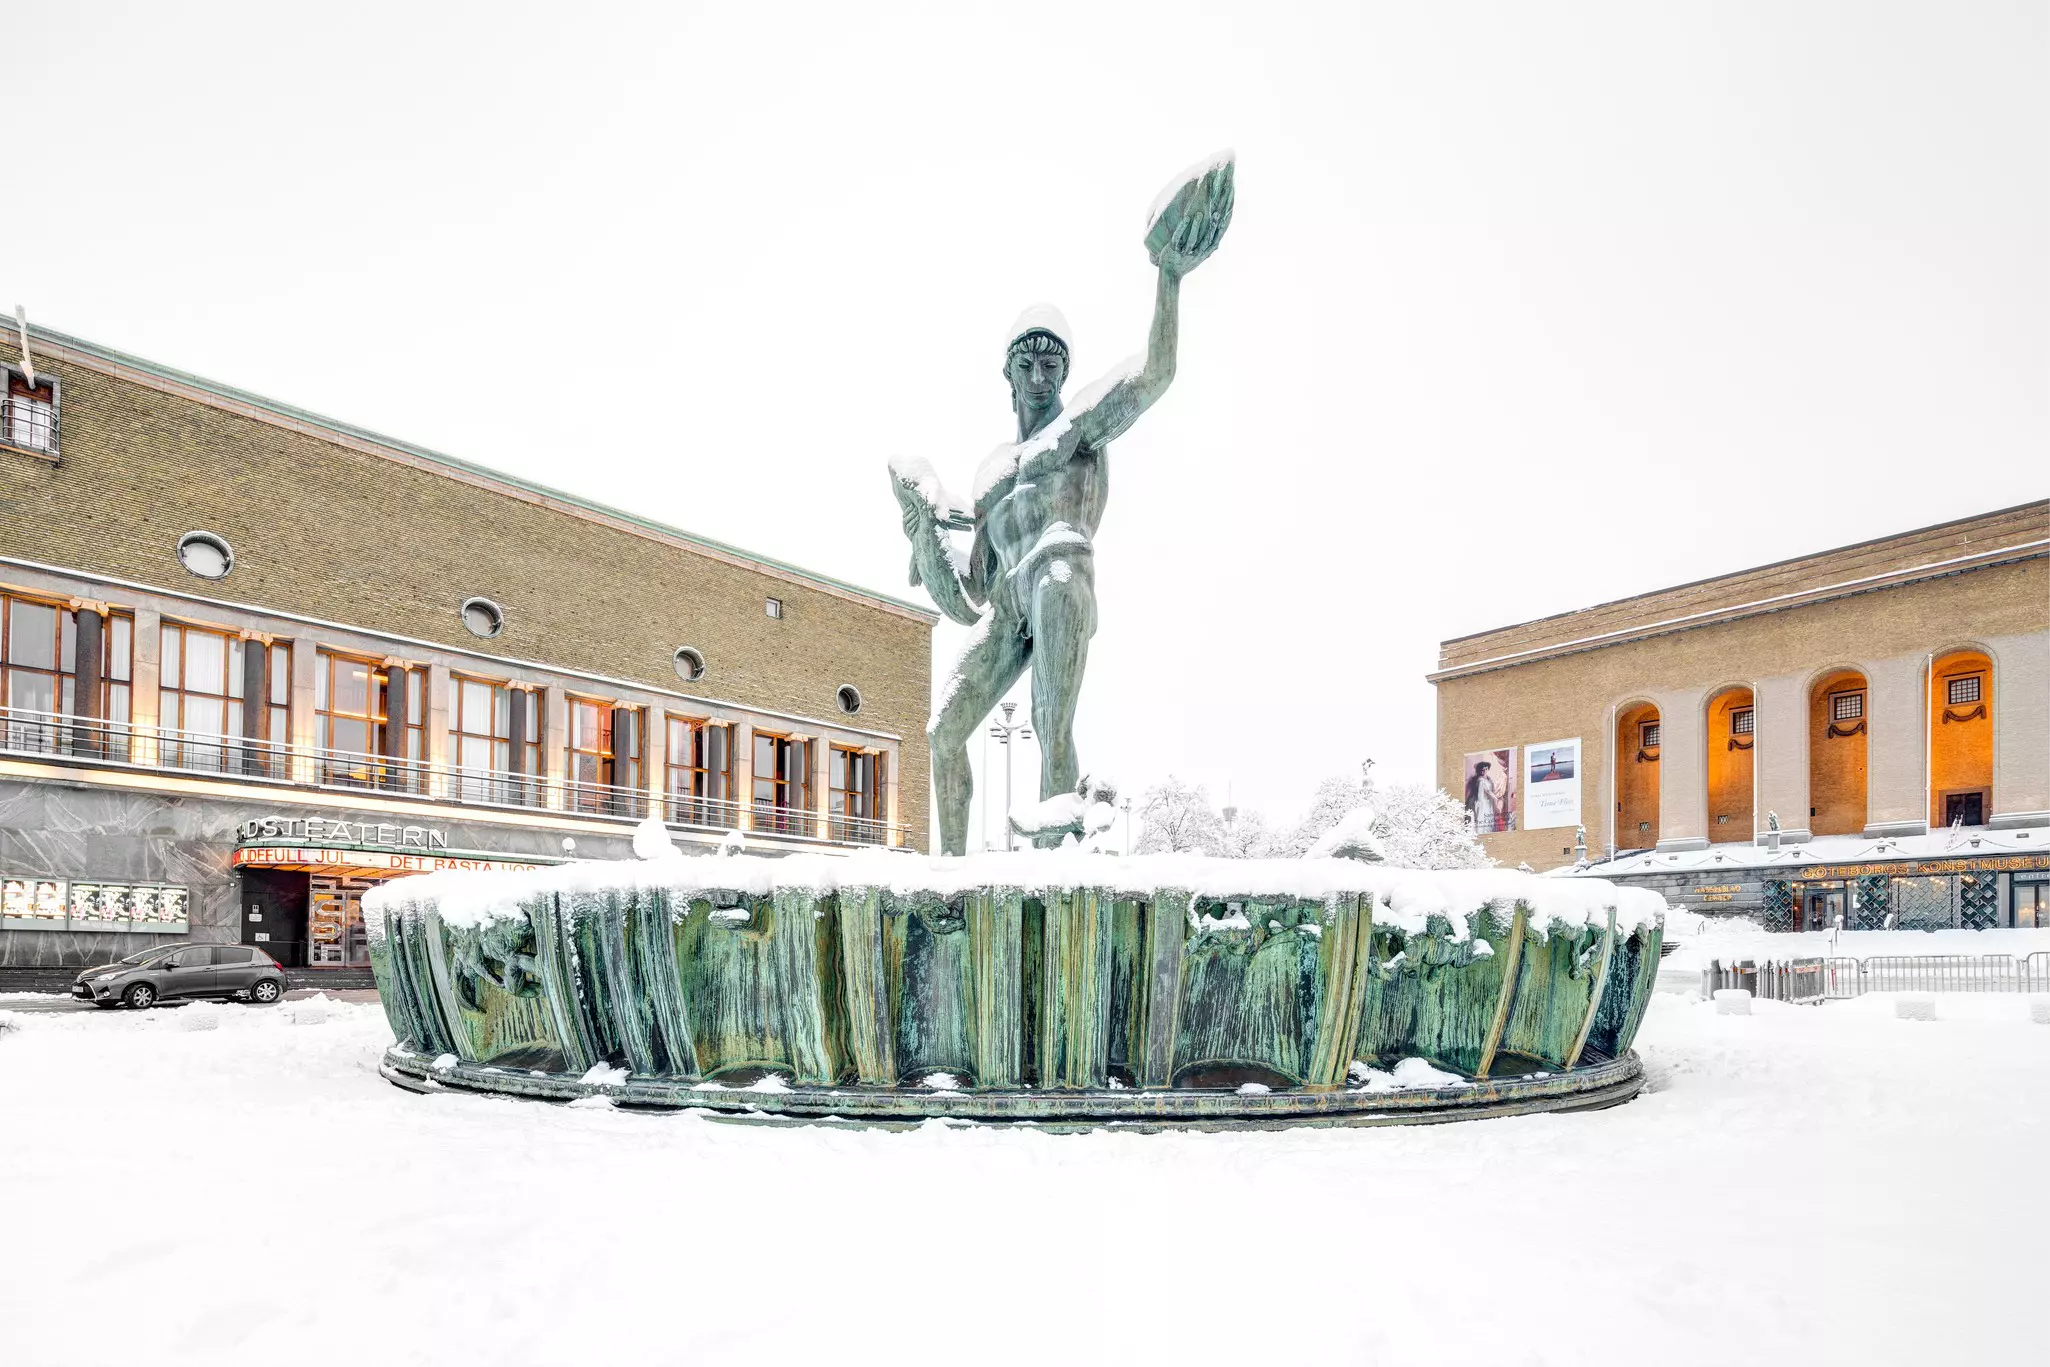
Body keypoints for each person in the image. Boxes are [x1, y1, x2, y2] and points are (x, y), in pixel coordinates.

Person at [892, 163, 1233, 855]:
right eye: (1030, 365)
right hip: (1011, 602)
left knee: (1051, 719)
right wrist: (923, 531)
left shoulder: (1075, 428)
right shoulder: (991, 475)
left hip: (1059, 571)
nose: (1042, 377)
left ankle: (1054, 876)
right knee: (942, 731)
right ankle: (952, 882)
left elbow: (1154, 374)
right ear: (1009, 373)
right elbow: (968, 599)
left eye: (1054, 366)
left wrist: (1167, 278)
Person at [1465, 760, 1502, 833]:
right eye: (1482, 769)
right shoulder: (1480, 780)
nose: (1484, 771)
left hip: (1488, 802)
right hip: (1483, 803)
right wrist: (1495, 798)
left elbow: (1491, 789)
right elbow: (1487, 791)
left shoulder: (1488, 780)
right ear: (1479, 770)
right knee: (1482, 818)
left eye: (1486, 769)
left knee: (1488, 819)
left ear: (1488, 769)